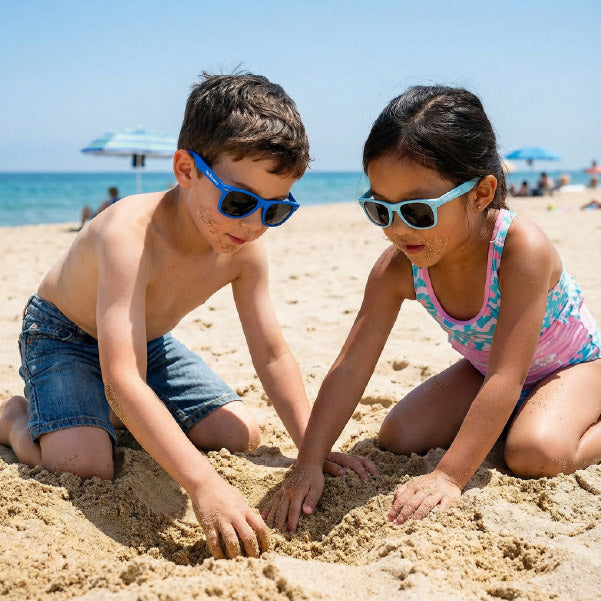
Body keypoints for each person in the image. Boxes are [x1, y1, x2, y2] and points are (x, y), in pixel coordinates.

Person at [0, 73, 374, 559]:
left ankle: (112, 417)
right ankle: (13, 420)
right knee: (84, 463)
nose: (253, 224)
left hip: (145, 342)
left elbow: (271, 353)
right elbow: (121, 376)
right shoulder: (129, 233)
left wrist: (311, 446)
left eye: (275, 210)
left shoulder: (243, 250)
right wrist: (204, 484)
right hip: (64, 335)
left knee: (240, 434)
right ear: (185, 169)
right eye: (239, 201)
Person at [264, 85, 601, 534]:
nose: (398, 229)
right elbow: (350, 368)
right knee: (399, 435)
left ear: (480, 194)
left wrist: (450, 475)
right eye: (381, 210)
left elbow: (508, 376)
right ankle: (517, 419)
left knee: (533, 454)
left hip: (572, 368)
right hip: (488, 372)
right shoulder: (399, 269)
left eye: (419, 212)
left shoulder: (521, 249)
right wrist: (307, 463)